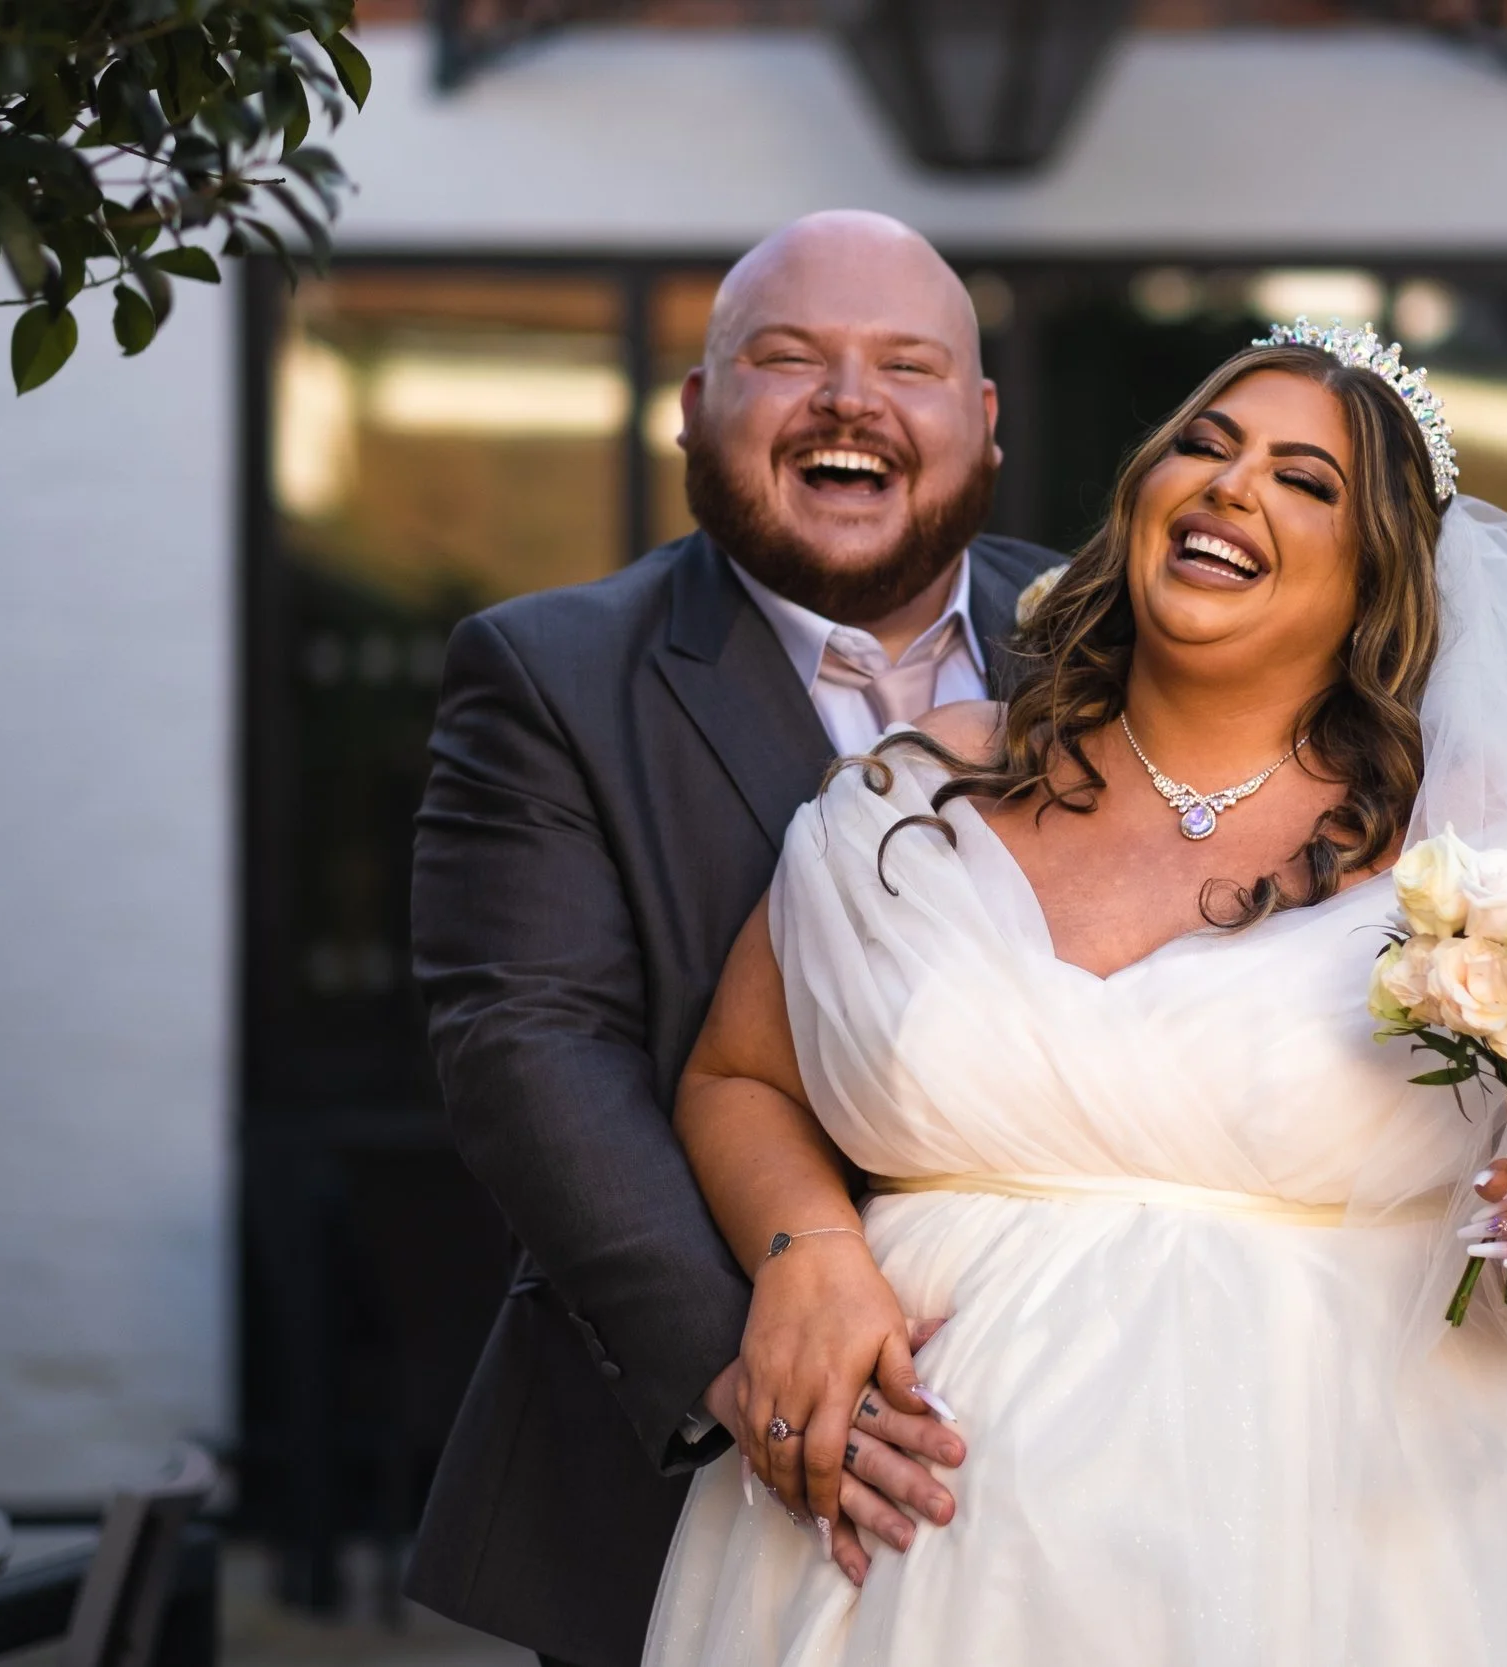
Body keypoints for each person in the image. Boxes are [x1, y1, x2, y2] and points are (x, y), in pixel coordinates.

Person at [643, 328, 1507, 1665]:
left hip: (1373, 1569)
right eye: (1204, 445)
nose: (1231, 485)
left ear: (1380, 577)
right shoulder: (926, 786)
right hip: (895, 1564)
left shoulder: (1491, 855)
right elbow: (738, 1075)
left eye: (1304, 479)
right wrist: (808, 1250)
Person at [406, 210, 1059, 1667]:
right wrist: (774, 1380)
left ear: (982, 421)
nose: (851, 400)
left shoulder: (1116, 637)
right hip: (703, 1464)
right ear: (698, 411)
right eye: (787, 358)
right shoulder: (550, 674)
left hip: (1080, 1465)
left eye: (908, 364)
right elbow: (529, 1049)